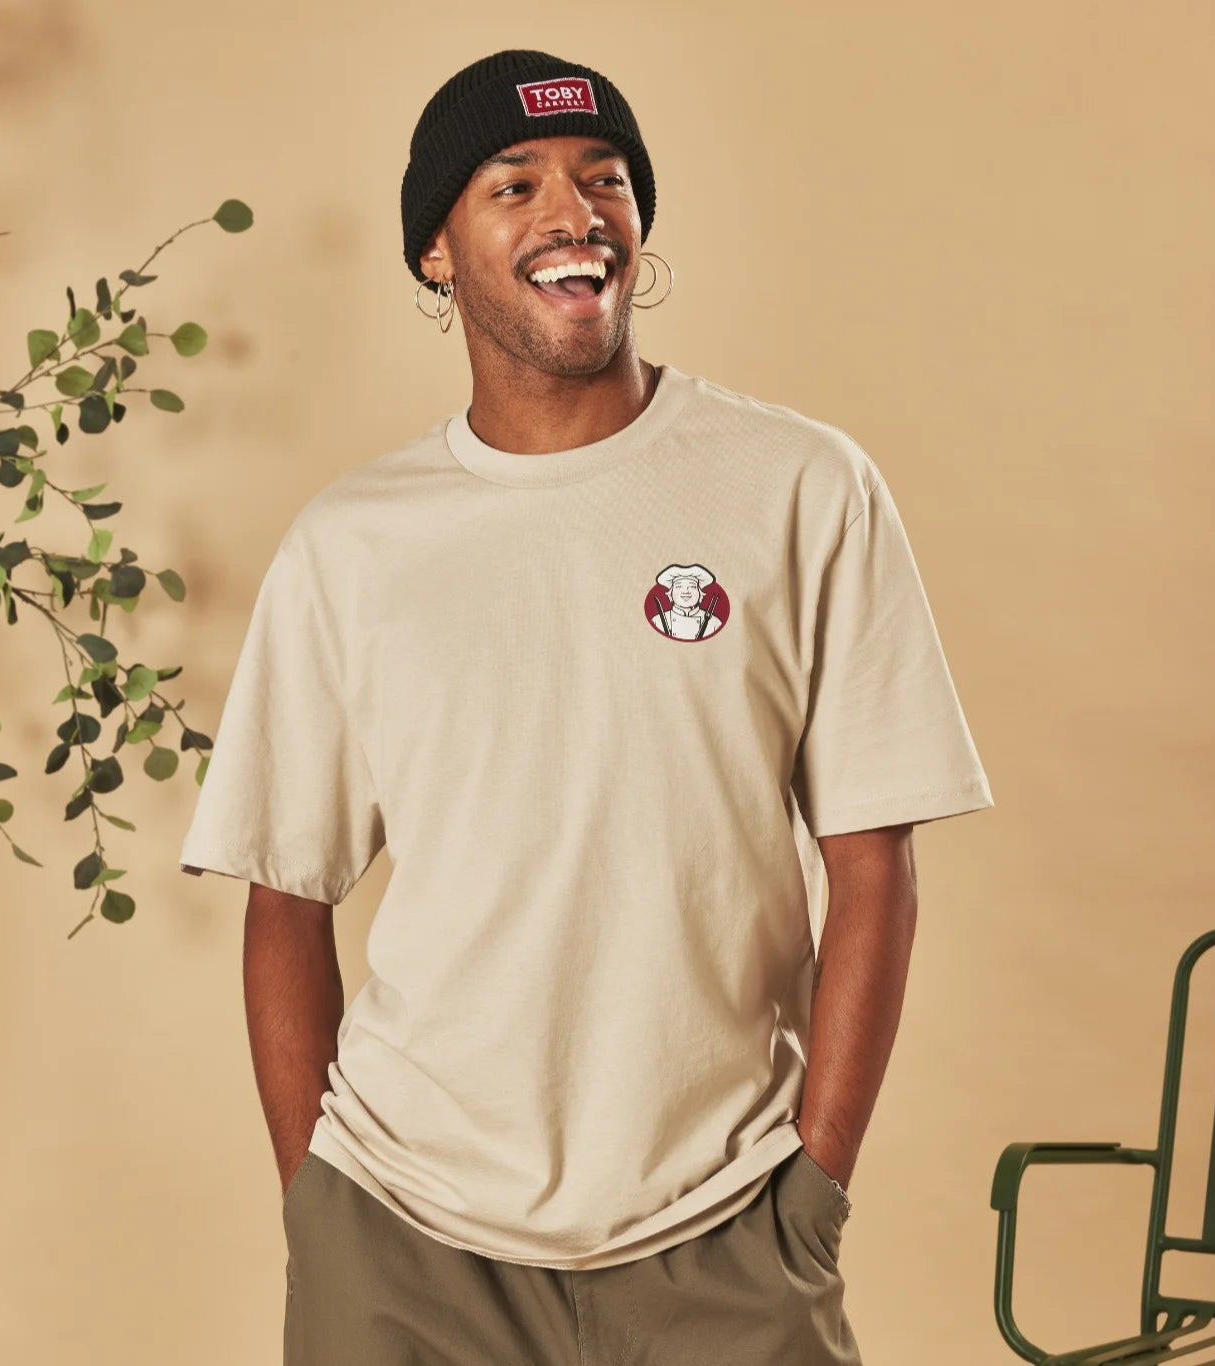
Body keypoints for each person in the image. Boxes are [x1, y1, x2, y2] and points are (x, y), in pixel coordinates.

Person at [178, 47, 995, 1365]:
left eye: (603, 179)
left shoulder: (799, 486)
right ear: (435, 252)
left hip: (728, 1221)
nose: (575, 214)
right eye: (515, 186)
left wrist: (814, 1188)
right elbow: (285, 894)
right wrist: (317, 1211)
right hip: (400, 1231)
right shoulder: (352, 543)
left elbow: (873, 859)